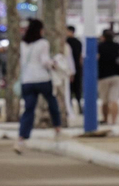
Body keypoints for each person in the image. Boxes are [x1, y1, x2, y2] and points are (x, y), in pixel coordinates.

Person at [14, 18, 68, 152]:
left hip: (27, 80)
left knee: (28, 109)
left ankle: (21, 138)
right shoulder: (43, 43)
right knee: (52, 102)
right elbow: (44, 61)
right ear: (39, 30)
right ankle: (57, 129)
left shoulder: (23, 44)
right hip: (42, 79)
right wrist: (54, 63)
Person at [96, 28, 119, 127]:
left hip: (103, 77)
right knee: (114, 100)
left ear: (103, 37)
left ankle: (105, 119)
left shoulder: (99, 47)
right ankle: (114, 121)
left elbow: (96, 59)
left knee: (104, 100)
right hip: (117, 76)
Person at [65, 25, 83, 113]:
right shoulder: (78, 42)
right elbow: (80, 57)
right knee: (77, 89)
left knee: (69, 90)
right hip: (77, 69)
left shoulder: (66, 42)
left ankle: (71, 108)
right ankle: (79, 106)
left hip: (69, 69)